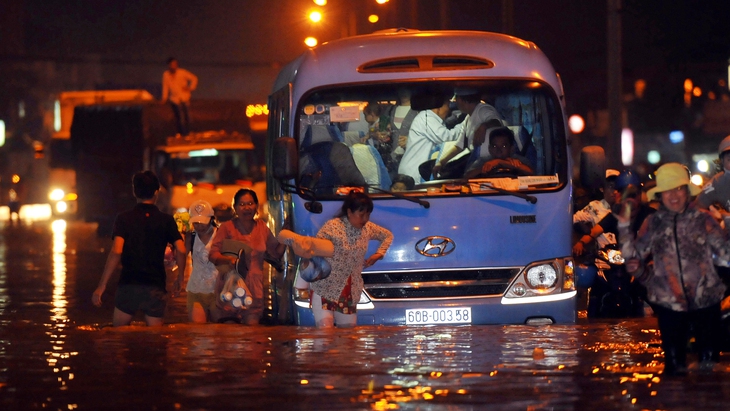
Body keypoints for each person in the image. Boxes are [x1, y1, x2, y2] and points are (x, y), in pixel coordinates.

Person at [619, 163, 728, 375]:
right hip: (670, 306)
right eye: (668, 190)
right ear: (660, 195)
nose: (674, 195)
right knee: (674, 370)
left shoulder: (703, 219)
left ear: (687, 192)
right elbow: (633, 258)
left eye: (678, 189)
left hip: (706, 303)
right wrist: (624, 228)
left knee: (710, 371)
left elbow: (726, 255)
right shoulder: (653, 223)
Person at [91, 171, 186, 326]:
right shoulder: (166, 220)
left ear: (134, 192)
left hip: (129, 284)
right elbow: (181, 250)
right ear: (157, 192)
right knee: (155, 341)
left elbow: (116, 251)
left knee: (119, 338)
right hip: (155, 286)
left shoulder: (123, 219)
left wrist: (101, 286)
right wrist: (180, 278)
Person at [309, 191, 393, 328]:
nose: (365, 219)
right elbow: (313, 251)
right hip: (325, 287)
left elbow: (387, 236)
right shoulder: (332, 227)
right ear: (349, 212)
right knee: (324, 334)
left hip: (349, 291)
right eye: (361, 214)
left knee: (348, 338)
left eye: (368, 214)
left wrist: (379, 254)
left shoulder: (368, 228)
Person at [208, 188, 285, 325]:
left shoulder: (262, 228)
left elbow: (276, 253)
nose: (246, 208)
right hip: (230, 286)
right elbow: (213, 254)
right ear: (235, 208)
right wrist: (229, 260)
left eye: (250, 204)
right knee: (230, 336)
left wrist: (287, 234)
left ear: (256, 206)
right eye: (242, 204)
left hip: (254, 290)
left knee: (252, 337)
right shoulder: (227, 228)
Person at [432, 89, 503, 179]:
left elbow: (496, 122)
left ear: (461, 100)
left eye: (456, 99)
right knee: (428, 168)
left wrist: (484, 126)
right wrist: (441, 162)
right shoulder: (468, 118)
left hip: (480, 161)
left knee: (448, 176)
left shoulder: (483, 109)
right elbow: (459, 146)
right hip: (471, 158)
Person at [398, 96, 462, 183]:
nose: (449, 109)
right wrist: (464, 126)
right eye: (447, 105)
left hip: (416, 171)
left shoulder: (433, 119)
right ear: (438, 107)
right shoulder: (426, 117)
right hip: (412, 172)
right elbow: (446, 137)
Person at [185, 200, 218, 323]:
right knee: (199, 335)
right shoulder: (191, 236)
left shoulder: (220, 234)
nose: (199, 225)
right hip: (196, 290)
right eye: (196, 222)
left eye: (202, 222)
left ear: (211, 218)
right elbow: (180, 258)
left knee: (219, 333)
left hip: (218, 291)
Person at [465, 127, 533, 178]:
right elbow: (467, 176)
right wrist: (486, 167)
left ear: (511, 149)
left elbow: (532, 173)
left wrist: (502, 163)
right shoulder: (483, 161)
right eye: (494, 146)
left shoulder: (519, 160)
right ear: (490, 149)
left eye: (503, 146)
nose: (499, 150)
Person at [162, 57, 198, 136]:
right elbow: (165, 86)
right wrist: (164, 98)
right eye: (172, 64)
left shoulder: (182, 72)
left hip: (184, 97)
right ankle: (181, 134)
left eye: (175, 64)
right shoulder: (166, 75)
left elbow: (194, 78)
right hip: (174, 99)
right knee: (179, 117)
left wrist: (190, 88)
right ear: (169, 65)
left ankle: (188, 133)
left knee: (187, 117)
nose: (174, 66)